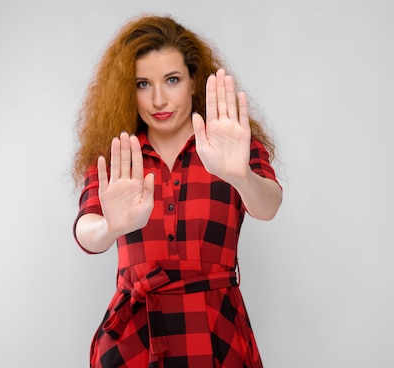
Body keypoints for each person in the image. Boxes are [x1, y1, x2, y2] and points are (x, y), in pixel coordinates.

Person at [72, 14, 282, 368]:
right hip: (135, 339)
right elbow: (86, 231)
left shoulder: (230, 144)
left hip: (217, 330)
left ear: (193, 81)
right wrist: (111, 226)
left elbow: (269, 205)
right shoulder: (118, 156)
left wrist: (240, 175)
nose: (158, 100)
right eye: (142, 84)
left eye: (171, 80)